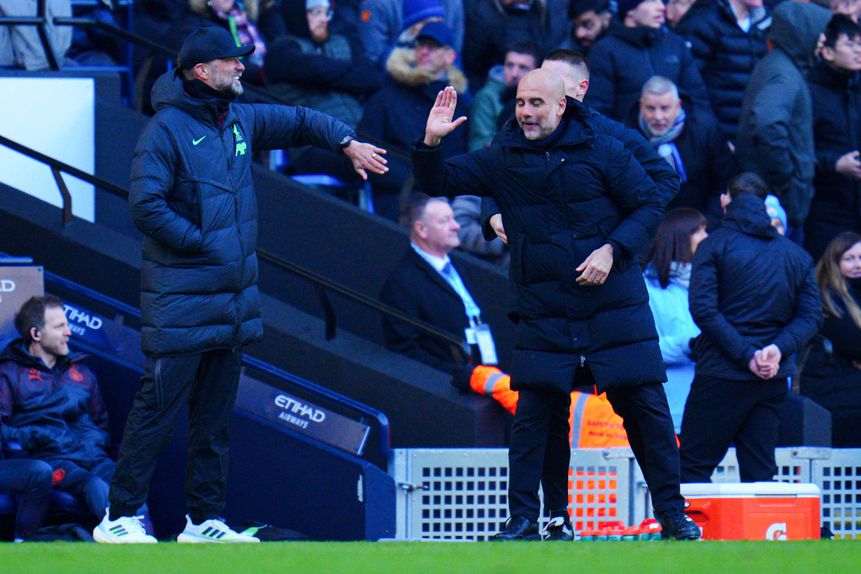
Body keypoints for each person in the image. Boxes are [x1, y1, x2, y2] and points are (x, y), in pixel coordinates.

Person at [95, 26, 387, 544]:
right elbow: (145, 206)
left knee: (214, 423)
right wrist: (206, 245)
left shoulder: (238, 119)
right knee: (155, 414)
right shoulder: (165, 130)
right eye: (233, 61)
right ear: (202, 71)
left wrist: (346, 142)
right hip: (182, 304)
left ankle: (203, 521)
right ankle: (118, 518)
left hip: (229, 304)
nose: (242, 68)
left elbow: (298, 120)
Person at [413, 69, 700, 541]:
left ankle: (672, 513)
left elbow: (649, 202)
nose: (525, 111)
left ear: (561, 105)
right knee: (535, 419)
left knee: (647, 412)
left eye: (535, 104)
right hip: (545, 309)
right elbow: (438, 181)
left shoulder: (604, 147)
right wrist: (430, 142)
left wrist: (612, 250)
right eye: (520, 103)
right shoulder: (503, 156)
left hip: (615, 305)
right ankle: (531, 518)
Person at [680, 173, 822, 483]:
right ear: (765, 202)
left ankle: (685, 531)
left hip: (721, 373)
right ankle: (763, 532)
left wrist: (747, 356)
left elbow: (703, 309)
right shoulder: (795, 254)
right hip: (772, 376)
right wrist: (775, 350)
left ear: (724, 201)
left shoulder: (713, 246)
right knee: (761, 471)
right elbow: (811, 316)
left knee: (692, 467)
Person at [482, 49, 680, 253]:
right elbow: (491, 175)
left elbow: (666, 178)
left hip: (597, 265)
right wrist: (494, 214)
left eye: (554, 81)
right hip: (534, 268)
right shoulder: (516, 129)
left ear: (581, 88)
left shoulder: (611, 135)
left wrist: (621, 234)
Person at [0, 297, 130, 529]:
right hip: (49, 458)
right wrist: (40, 435)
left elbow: (101, 425)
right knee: (92, 484)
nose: (69, 332)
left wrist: (90, 441)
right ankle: (127, 549)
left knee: (127, 484)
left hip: (92, 456)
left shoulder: (81, 372)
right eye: (59, 326)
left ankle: (150, 550)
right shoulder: (10, 373)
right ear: (36, 334)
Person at [735, 1, 832, 240]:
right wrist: (785, 180)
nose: (823, 39)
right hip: (780, 201)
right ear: (801, 32)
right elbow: (767, 124)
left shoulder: (780, 67)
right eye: (818, 31)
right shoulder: (784, 74)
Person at [263, 0, 383, 186]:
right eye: (316, 13)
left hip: (357, 136)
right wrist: (351, 76)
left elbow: (372, 78)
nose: (323, 20)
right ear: (298, 15)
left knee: (397, 158)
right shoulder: (281, 51)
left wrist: (332, 76)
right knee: (382, 166)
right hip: (313, 147)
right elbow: (317, 70)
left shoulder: (341, 42)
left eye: (326, 13)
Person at [360, 21, 469, 220]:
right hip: (396, 198)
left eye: (433, 46)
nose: (424, 51)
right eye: (420, 45)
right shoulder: (386, 96)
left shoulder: (459, 105)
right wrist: (414, 182)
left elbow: (460, 158)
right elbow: (367, 151)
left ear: (450, 56)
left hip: (444, 201)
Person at [380, 194, 492, 376]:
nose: (456, 226)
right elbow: (404, 349)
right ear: (421, 229)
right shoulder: (402, 284)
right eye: (444, 221)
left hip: (484, 373)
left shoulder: (459, 266)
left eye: (453, 219)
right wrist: (460, 374)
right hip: (451, 386)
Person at [632, 76, 737, 228]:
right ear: (641, 106)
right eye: (650, 108)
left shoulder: (705, 129)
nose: (658, 116)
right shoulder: (627, 134)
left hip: (700, 222)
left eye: (665, 108)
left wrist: (704, 225)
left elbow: (724, 183)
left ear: (678, 105)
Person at [584, 0, 711, 122]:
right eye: (651, 1)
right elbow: (598, 112)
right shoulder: (605, 51)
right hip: (627, 141)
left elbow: (698, 100)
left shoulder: (676, 44)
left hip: (679, 140)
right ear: (630, 10)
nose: (661, 7)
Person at [643, 208, 707, 433]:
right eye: (698, 231)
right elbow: (641, 351)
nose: (706, 237)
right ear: (677, 238)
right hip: (670, 412)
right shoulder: (646, 290)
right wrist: (689, 345)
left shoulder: (712, 287)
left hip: (712, 410)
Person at [674, 0, 770, 141]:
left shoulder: (763, 22)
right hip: (716, 139)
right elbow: (689, 88)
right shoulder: (703, 21)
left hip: (749, 136)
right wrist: (716, 139)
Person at [805, 15, 861, 261]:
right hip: (826, 207)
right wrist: (835, 164)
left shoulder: (856, 87)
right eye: (850, 45)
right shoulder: (808, 91)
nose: (859, 51)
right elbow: (797, 150)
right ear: (827, 52)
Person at [800, 232, 861, 446]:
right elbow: (854, 344)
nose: (857, 264)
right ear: (834, 261)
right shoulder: (826, 297)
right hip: (829, 385)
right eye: (849, 258)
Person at [468, 42, 538, 151]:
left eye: (523, 67)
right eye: (510, 65)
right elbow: (480, 145)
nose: (514, 73)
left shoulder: (542, 100)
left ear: (535, 72)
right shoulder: (487, 98)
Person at [358, 0, 464, 67]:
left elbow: (455, 49)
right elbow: (374, 57)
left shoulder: (453, 3)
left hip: (443, 80)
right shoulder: (375, 4)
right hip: (392, 80)